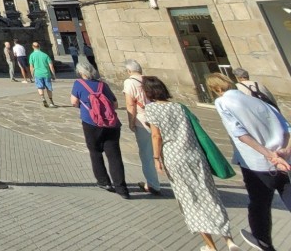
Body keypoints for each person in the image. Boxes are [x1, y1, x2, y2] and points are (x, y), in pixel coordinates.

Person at [143, 75, 242, 251]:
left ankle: (210, 246)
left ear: (148, 92)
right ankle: (229, 240)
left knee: (190, 200)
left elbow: (156, 136)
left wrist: (156, 158)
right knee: (210, 195)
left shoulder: (151, 110)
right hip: (195, 155)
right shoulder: (180, 107)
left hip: (174, 158)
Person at [209, 72, 291, 251]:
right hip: (282, 161)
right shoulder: (259, 101)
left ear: (216, 89)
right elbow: (287, 129)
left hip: (255, 162)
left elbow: (241, 135)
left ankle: (262, 241)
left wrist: (269, 155)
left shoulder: (222, 102)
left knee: (259, 203)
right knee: (285, 193)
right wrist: (284, 152)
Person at [70, 59, 128, 197]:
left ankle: (104, 181)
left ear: (79, 72)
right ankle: (122, 189)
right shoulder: (103, 85)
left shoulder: (78, 84)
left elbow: (73, 102)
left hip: (91, 123)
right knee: (114, 156)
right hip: (111, 124)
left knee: (95, 152)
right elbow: (115, 104)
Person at [123, 59, 163, 195]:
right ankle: (178, 182)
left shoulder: (129, 82)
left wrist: (131, 121)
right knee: (165, 152)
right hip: (161, 118)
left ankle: (153, 184)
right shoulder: (152, 81)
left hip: (144, 120)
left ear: (129, 71)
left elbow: (130, 104)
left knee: (147, 154)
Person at [28, 41, 57, 107]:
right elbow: (51, 66)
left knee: (40, 87)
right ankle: (51, 101)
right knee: (48, 88)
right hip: (46, 74)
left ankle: (43, 99)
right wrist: (53, 74)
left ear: (33, 47)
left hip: (37, 74)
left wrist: (32, 74)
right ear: (39, 46)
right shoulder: (45, 55)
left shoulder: (32, 55)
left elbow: (31, 66)